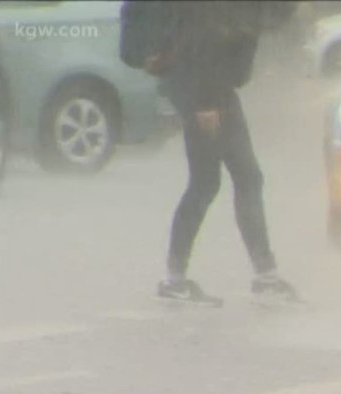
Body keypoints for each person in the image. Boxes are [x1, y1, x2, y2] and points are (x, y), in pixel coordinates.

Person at [122, 1, 297, 305]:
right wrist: (205, 102)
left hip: (208, 86)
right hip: (203, 87)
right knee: (219, 180)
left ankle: (257, 274)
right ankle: (180, 278)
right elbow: (203, 38)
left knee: (231, 178)